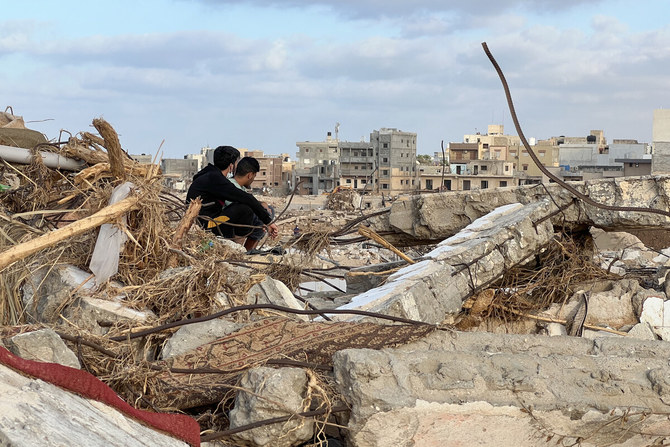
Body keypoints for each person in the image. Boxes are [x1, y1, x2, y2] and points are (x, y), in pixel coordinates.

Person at [186, 146, 278, 248]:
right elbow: (245, 198)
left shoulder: (209, 174)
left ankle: (236, 246)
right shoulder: (216, 179)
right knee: (244, 209)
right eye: (236, 163)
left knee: (243, 208)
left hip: (207, 220)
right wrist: (268, 222)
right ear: (231, 166)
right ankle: (237, 248)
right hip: (206, 224)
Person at [225, 156, 276, 251]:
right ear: (250, 175)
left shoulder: (239, 187)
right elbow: (238, 206)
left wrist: (261, 204)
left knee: (267, 210)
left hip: (235, 221)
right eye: (254, 176)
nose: (253, 180)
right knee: (261, 216)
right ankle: (245, 250)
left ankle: (248, 250)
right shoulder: (231, 186)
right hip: (227, 223)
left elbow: (248, 200)